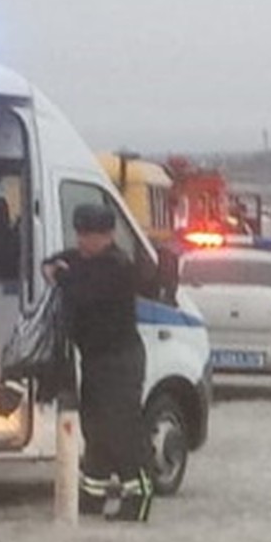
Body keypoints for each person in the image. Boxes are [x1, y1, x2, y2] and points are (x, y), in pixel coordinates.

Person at [43, 204, 157, 521]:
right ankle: (92, 495)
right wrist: (53, 268)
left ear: (107, 235)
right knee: (95, 428)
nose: (82, 242)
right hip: (94, 360)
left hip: (120, 359)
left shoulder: (117, 266)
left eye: (89, 235)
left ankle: (140, 495)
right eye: (79, 234)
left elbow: (84, 292)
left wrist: (62, 276)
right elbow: (54, 264)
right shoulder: (82, 260)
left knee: (121, 428)